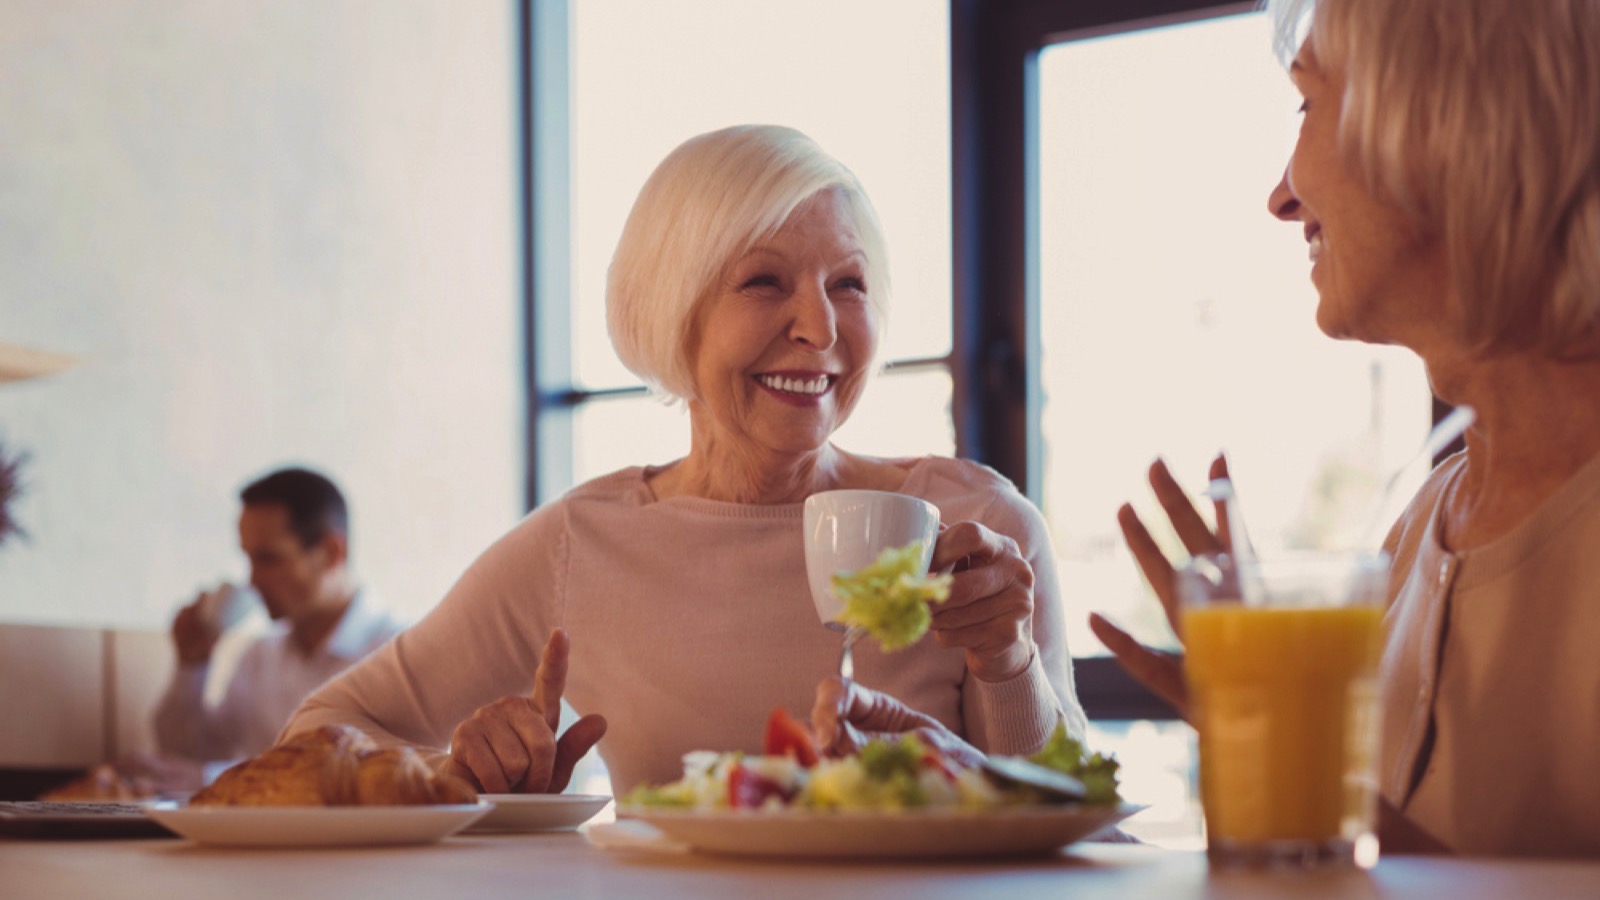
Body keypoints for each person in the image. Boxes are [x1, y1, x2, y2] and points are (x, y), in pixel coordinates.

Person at [286, 124, 1087, 796]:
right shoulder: (581, 547)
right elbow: (321, 730)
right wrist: (461, 774)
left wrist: (1006, 659)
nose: (820, 327)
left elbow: (1079, 816)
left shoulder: (982, 531)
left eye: (848, 284)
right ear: (675, 315)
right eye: (765, 281)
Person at [1085, 0, 1600, 857]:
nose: (1281, 197)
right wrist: (1268, 739)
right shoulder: (1413, 533)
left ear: (1449, 123)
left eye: (1308, 102)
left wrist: (1303, 773)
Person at [152, 466, 405, 777]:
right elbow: (189, 756)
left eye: (268, 559)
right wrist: (192, 665)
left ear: (331, 552)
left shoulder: (396, 656)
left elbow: (377, 776)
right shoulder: (260, 656)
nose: (253, 580)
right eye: (248, 559)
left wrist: (208, 778)